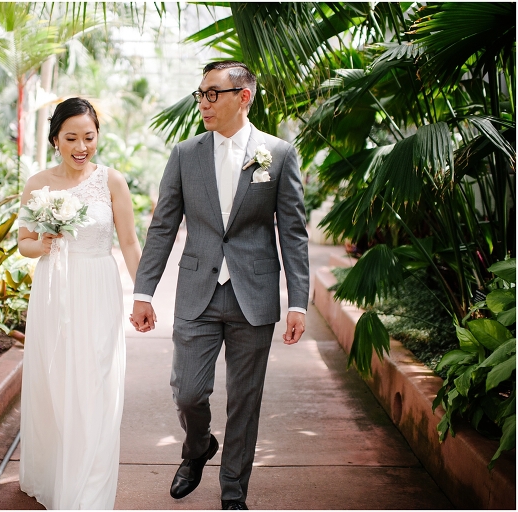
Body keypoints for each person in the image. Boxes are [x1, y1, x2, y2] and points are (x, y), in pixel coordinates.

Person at [130, 61, 310, 510]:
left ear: (243, 97)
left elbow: (293, 231)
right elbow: (163, 226)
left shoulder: (279, 154)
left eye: (213, 94)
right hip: (198, 291)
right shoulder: (185, 154)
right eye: (201, 94)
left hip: (255, 293)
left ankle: (233, 493)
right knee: (188, 391)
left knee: (245, 402)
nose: (204, 103)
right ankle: (196, 448)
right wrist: (143, 291)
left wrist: (299, 302)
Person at [17, 97, 142, 510]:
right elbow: (23, 245)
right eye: (71, 137)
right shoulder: (38, 184)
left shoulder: (112, 181)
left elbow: (127, 242)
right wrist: (44, 242)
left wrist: (143, 294)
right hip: (55, 291)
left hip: (99, 287)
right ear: (56, 139)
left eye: (89, 137)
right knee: (56, 382)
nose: (81, 146)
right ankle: (57, 472)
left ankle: (87, 489)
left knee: (96, 382)